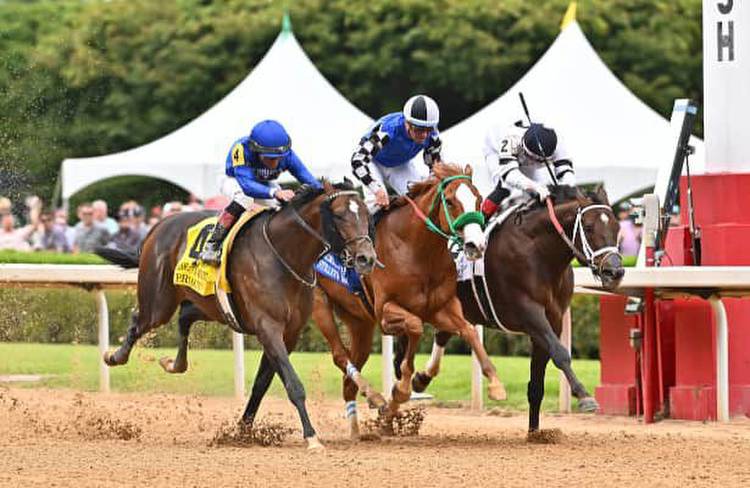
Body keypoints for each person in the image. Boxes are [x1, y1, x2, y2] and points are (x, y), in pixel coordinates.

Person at [199, 119, 322, 265]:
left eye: (278, 158)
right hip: (234, 178)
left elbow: (306, 177)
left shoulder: (287, 154)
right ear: (255, 150)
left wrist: (325, 191)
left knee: (283, 205)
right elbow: (246, 186)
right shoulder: (241, 148)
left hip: (261, 181)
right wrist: (274, 192)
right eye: (269, 158)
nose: (275, 163)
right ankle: (212, 244)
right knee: (243, 198)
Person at [350, 94, 442, 214]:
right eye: (419, 129)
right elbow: (357, 161)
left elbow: (435, 169)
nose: (424, 135)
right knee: (376, 203)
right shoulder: (388, 131)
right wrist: (377, 190)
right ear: (407, 123)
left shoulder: (433, 137)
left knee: (421, 200)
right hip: (372, 161)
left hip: (400, 164)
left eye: (428, 129)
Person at [480, 121, 575, 219]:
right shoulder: (512, 138)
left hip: (523, 154)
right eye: (529, 156)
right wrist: (536, 187)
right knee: (506, 188)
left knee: (541, 192)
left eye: (537, 160)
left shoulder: (560, 145)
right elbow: (509, 175)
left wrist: (565, 192)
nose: (532, 161)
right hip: (494, 151)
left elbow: (567, 174)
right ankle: (482, 220)